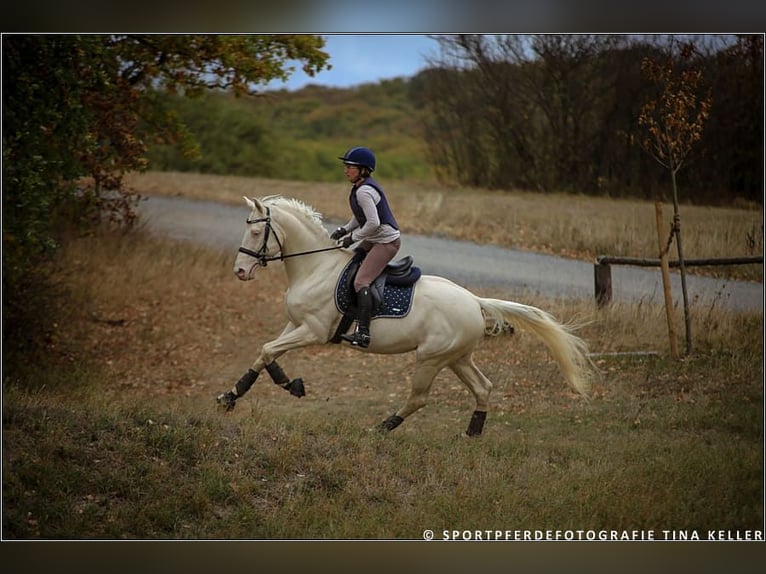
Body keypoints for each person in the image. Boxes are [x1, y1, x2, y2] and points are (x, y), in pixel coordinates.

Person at [331, 146, 401, 348]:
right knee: (350, 263)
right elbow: (359, 217)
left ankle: (363, 332)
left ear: (363, 169)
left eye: (350, 167)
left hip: (386, 242)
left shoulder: (364, 191)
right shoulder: (359, 188)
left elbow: (373, 223)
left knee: (361, 281)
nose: (346, 170)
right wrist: (343, 230)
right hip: (375, 237)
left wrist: (351, 238)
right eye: (346, 166)